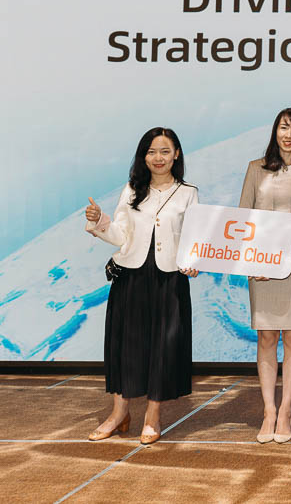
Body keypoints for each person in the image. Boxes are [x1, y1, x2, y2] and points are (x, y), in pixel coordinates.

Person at [84, 127, 199, 445]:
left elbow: (194, 237)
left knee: (164, 347)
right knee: (126, 347)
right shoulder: (132, 189)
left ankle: (152, 416)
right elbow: (120, 235)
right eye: (151, 151)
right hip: (131, 276)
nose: (158, 158)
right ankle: (119, 414)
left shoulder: (188, 193)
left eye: (165, 151)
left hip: (169, 279)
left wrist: (193, 261)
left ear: (176, 154)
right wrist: (99, 220)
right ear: (143, 156)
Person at [239, 107, 291, 444]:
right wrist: (251, 260)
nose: (288, 135)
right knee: (266, 337)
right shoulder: (255, 169)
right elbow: (243, 218)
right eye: (283, 128)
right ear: (275, 131)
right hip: (263, 261)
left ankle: (286, 409)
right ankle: (268, 411)